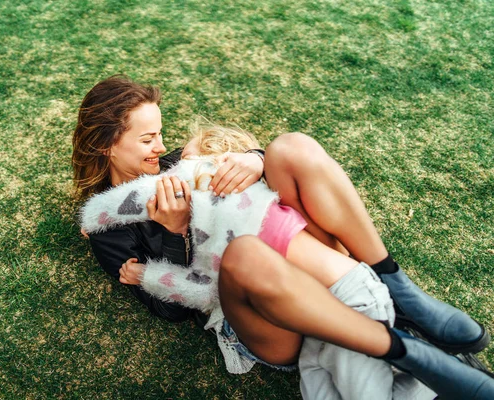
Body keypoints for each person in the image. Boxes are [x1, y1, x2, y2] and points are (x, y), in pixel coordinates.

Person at [72, 75, 494, 399]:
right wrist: (174, 232)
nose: (161, 148)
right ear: (108, 145)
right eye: (148, 139)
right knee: (245, 253)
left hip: (303, 255)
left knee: (291, 149)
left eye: (161, 135)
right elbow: (172, 310)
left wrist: (254, 161)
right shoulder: (108, 233)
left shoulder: (173, 164)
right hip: (261, 306)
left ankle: (394, 284)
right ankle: (403, 346)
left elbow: (244, 174)